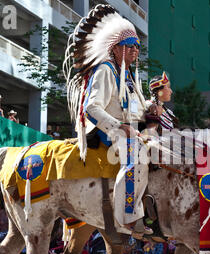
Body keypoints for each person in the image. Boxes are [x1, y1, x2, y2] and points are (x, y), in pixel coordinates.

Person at [65, 5, 151, 238]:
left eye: (137, 47)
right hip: (108, 131)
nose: (135, 51)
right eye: (130, 46)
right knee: (137, 155)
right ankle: (126, 215)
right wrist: (119, 127)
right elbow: (91, 108)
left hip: (130, 129)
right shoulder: (105, 70)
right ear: (115, 48)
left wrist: (154, 109)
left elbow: (138, 110)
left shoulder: (128, 75)